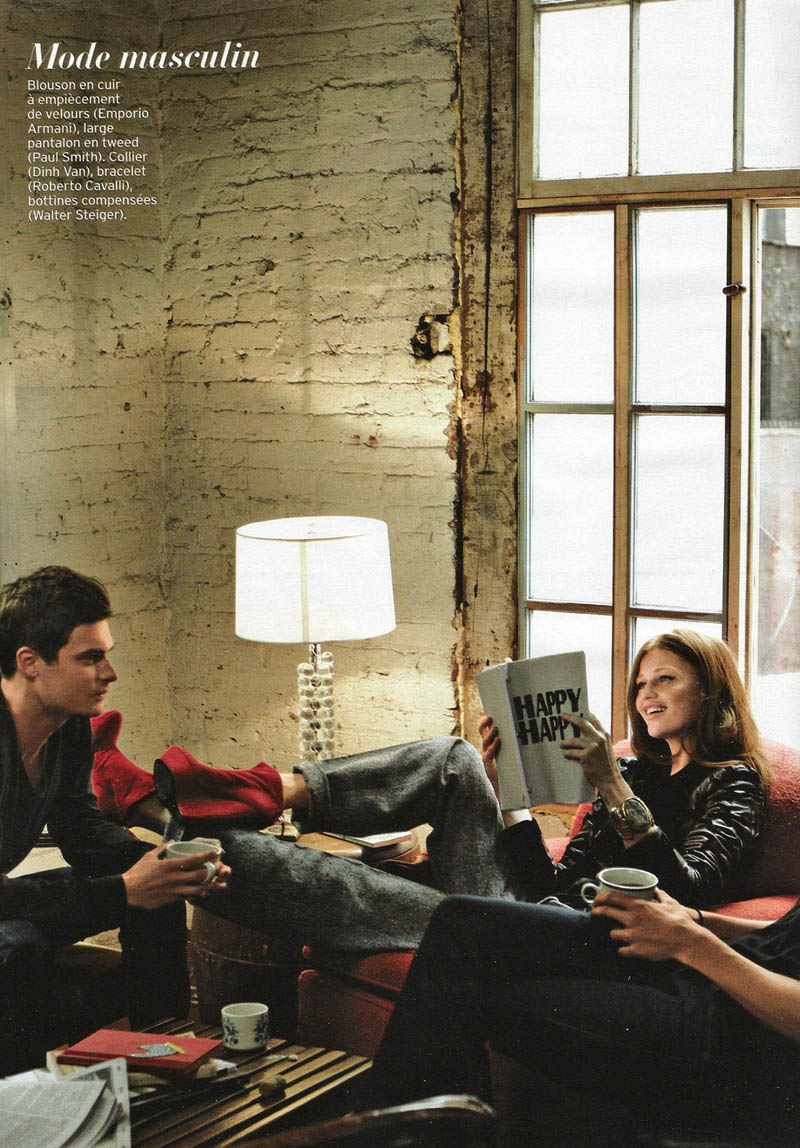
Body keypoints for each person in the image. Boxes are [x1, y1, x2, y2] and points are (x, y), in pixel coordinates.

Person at [200, 630, 768, 957]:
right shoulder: (635, 772)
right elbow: (551, 881)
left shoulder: (733, 780)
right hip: (536, 908)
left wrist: (610, 783)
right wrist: (504, 790)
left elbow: (686, 891)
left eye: (665, 679)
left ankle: (203, 829)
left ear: (709, 687)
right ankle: (269, 790)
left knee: (333, 882)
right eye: (641, 683)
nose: (646, 694)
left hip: (576, 938)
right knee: (460, 759)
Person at [0, 566, 229, 1071]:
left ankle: (165, 1058)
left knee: (159, 887)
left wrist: (167, 864)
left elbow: (80, 829)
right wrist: (123, 890)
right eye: (91, 658)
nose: (110, 673)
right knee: (13, 951)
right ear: (30, 662)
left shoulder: (68, 725)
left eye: (107, 654)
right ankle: (25, 1105)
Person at [359, 889, 800, 1143]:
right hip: (719, 970)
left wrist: (693, 945)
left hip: (737, 1034)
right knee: (464, 923)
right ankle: (389, 1128)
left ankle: (397, 1135)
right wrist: (698, 922)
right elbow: (787, 931)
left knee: (481, 991)